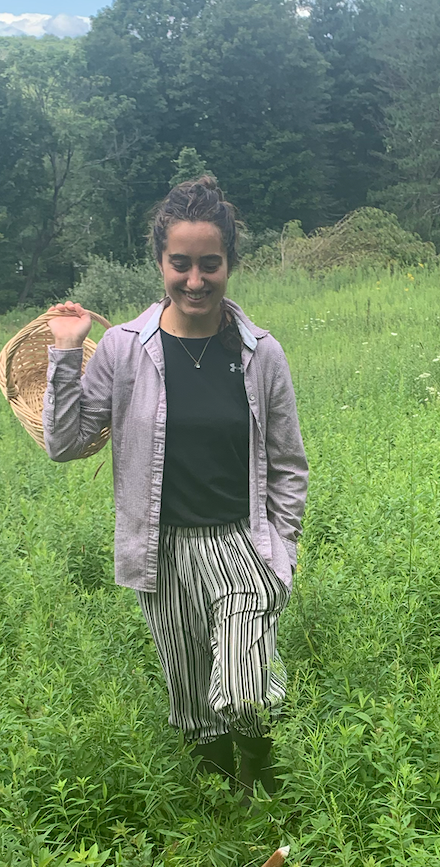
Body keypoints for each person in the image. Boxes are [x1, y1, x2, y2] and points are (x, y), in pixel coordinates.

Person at [42, 177, 308, 799]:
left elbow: (288, 462)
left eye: (209, 264)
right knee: (192, 698)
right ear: (160, 262)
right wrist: (65, 354)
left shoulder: (261, 354)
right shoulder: (123, 349)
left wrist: (284, 548)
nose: (195, 280)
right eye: (180, 264)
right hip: (160, 548)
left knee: (244, 685)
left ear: (230, 264)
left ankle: (268, 784)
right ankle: (220, 806)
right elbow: (65, 443)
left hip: (240, 544)